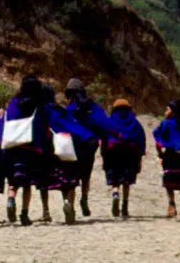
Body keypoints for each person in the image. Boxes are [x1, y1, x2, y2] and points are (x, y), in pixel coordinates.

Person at [0, 75, 49, 226]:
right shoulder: (39, 105)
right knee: (27, 183)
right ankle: (24, 214)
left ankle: (11, 197)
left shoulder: (14, 102)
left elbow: (6, 120)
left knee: (13, 179)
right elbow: (43, 126)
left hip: (12, 147)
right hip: (30, 148)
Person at [40, 84, 97, 224]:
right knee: (68, 180)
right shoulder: (61, 110)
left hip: (47, 151)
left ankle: (45, 211)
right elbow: (73, 127)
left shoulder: (41, 111)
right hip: (65, 148)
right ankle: (67, 202)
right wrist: (88, 137)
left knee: (44, 182)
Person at [65, 78, 115, 217]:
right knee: (85, 176)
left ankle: (70, 204)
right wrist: (104, 147)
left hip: (72, 148)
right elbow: (105, 126)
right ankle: (84, 199)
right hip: (89, 148)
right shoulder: (93, 107)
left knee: (72, 176)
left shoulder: (69, 109)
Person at [102, 99, 146, 219]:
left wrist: (103, 155)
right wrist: (140, 156)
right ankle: (125, 206)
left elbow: (104, 139)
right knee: (127, 180)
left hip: (113, 153)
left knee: (115, 178)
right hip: (130, 154)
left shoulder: (109, 121)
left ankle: (115, 193)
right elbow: (141, 139)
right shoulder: (135, 122)